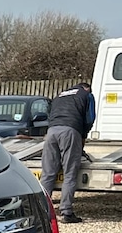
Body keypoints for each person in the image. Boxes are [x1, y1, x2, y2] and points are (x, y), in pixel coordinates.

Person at [40, 82, 97, 223]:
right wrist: (83, 135)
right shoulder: (86, 94)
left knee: (48, 173)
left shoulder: (59, 95)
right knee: (69, 173)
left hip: (51, 132)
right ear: (87, 88)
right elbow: (90, 118)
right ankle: (66, 212)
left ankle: (42, 211)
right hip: (70, 131)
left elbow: (50, 113)